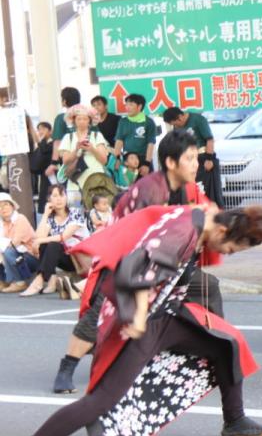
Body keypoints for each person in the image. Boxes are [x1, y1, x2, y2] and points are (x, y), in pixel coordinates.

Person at [2, 206, 262, 436]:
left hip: (164, 315)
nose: (225, 253)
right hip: (137, 320)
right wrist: (140, 318)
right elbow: (140, 273)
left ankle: (235, 420)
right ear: (221, 230)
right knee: (101, 400)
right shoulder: (181, 232)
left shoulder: (198, 219)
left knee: (225, 345)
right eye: (229, 248)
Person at [47, 130, 214, 396]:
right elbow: (137, 241)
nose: (196, 164)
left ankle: (208, 352)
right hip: (123, 260)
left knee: (208, 288)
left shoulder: (185, 189)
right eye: (190, 158)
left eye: (197, 157)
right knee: (98, 315)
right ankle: (67, 366)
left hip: (160, 264)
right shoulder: (150, 190)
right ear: (171, 162)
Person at [20, 185, 87, 298]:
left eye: (62, 195)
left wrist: (40, 240)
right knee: (46, 244)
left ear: (66, 198)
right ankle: (51, 279)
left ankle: (39, 280)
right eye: (55, 196)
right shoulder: (51, 218)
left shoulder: (75, 213)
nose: (59, 199)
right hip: (64, 257)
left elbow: (63, 237)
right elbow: (38, 238)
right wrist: (45, 214)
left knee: (54, 244)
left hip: (78, 259)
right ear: (49, 199)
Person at [162, 106, 221, 208]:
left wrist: (209, 159)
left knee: (207, 191)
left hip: (204, 158)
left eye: (175, 123)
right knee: (189, 190)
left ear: (180, 117)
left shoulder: (198, 119)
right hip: (187, 161)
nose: (175, 126)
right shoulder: (177, 127)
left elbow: (209, 140)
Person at [57, 104, 112, 211]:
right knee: (75, 212)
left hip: (95, 181)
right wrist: (76, 149)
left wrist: (92, 149)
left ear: (89, 121)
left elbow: (104, 160)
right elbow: (65, 160)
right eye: (79, 119)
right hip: (75, 182)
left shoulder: (97, 136)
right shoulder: (68, 137)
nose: (82, 121)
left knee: (98, 212)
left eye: (85, 119)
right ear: (74, 121)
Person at [0, 192, 38, 292]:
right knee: (6, 252)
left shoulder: (20, 219)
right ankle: (3, 281)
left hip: (30, 258)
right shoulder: (2, 223)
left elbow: (14, 243)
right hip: (15, 256)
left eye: (6, 204)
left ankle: (19, 282)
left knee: (8, 251)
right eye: (0, 206)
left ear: (12, 206)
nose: (3, 208)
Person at [113, 94, 158, 177]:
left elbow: (151, 144)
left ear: (139, 106)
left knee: (147, 186)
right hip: (128, 160)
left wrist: (147, 163)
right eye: (126, 104)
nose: (127, 107)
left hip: (144, 159)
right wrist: (117, 159)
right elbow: (119, 141)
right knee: (128, 187)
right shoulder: (123, 121)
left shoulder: (149, 122)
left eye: (131, 104)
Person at [28, 121, 54, 211]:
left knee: (53, 194)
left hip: (53, 174)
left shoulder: (53, 143)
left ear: (50, 131)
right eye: (39, 129)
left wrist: (40, 140)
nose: (41, 131)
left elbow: (45, 150)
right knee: (44, 198)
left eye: (43, 129)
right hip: (44, 175)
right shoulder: (41, 144)